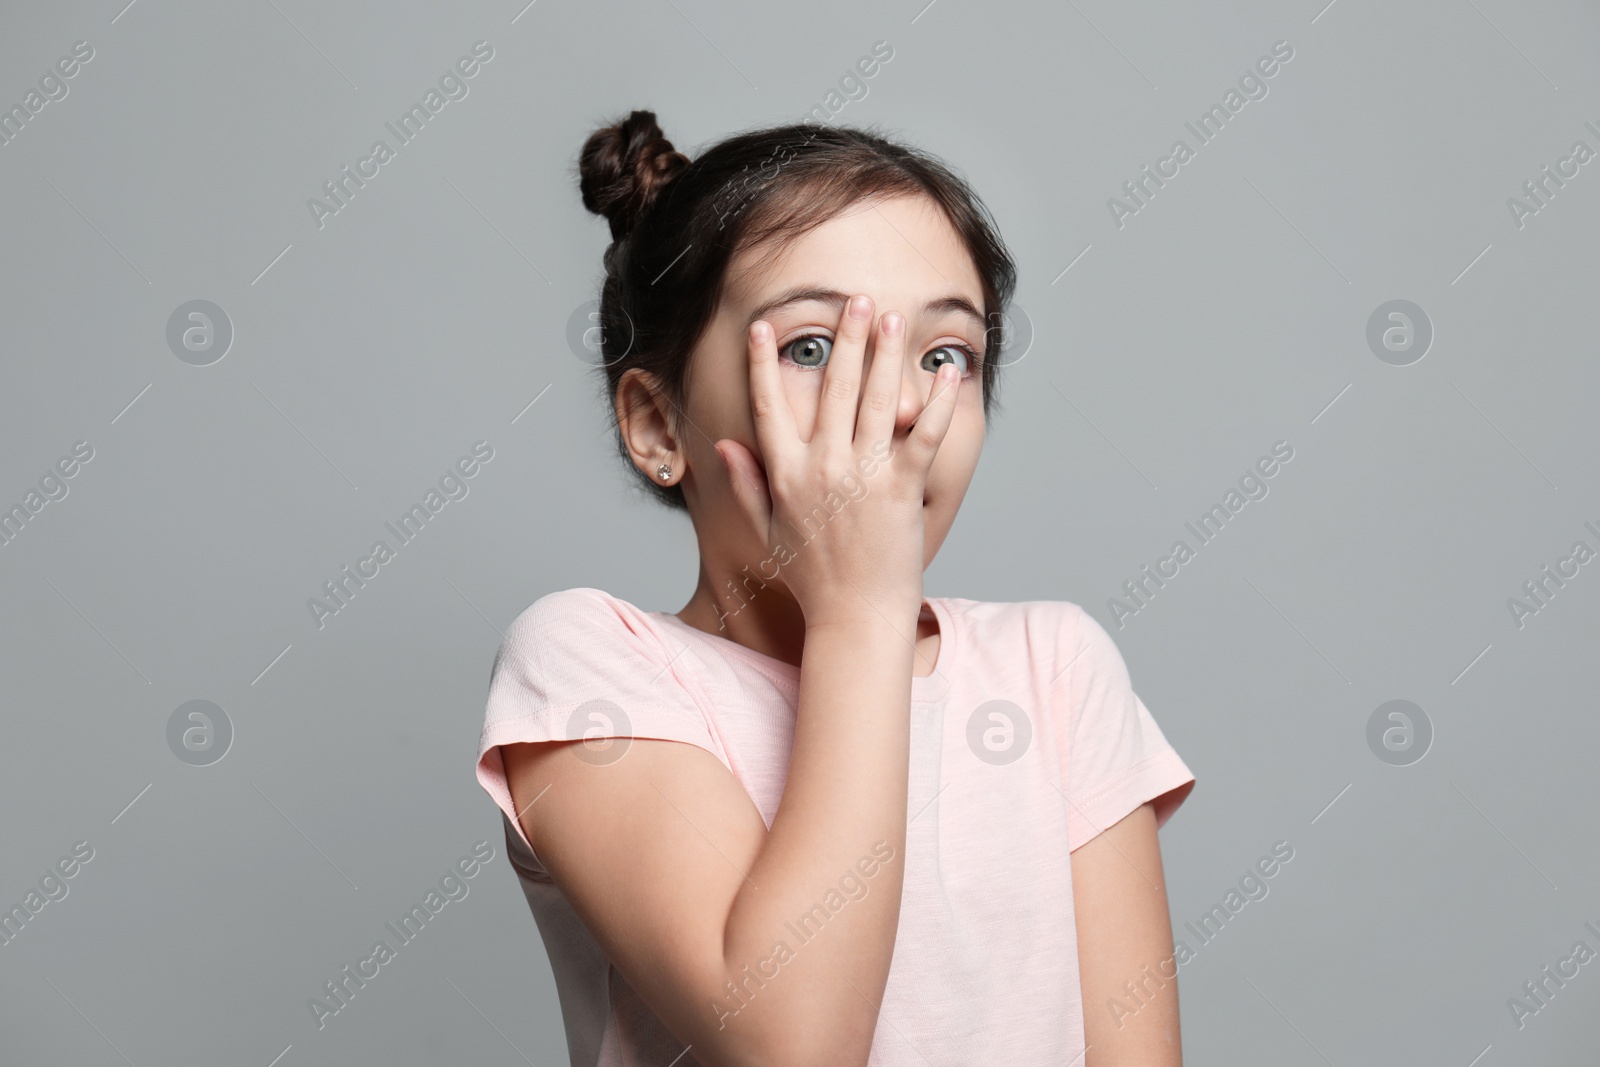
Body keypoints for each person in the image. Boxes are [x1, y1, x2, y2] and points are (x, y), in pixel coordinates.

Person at [474, 109, 1196, 1067]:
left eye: (946, 355)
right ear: (657, 425)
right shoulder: (589, 665)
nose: (900, 405)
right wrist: (859, 613)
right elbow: (793, 1045)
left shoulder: (1056, 670)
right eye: (813, 347)